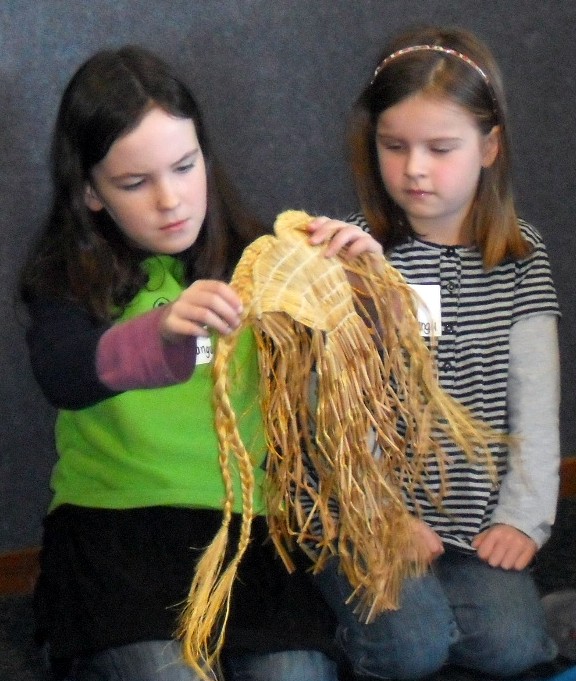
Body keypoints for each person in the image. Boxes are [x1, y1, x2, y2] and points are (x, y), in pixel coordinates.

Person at [19, 45, 376, 681]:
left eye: (185, 167)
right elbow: (65, 374)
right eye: (135, 183)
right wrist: (161, 335)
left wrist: (363, 294)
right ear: (90, 193)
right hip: (116, 531)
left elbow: (355, 374)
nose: (171, 199)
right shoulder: (65, 279)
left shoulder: (260, 257)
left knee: (294, 672)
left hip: (246, 529)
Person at [305, 25, 561, 679]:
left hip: (470, 520)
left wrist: (523, 519)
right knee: (413, 648)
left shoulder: (522, 257)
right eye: (394, 146)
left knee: (513, 647)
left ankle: (440, 610)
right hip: (363, 510)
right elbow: (335, 412)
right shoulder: (352, 254)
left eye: (440, 148)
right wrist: (381, 516)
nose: (414, 168)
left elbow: (536, 405)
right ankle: (328, 620)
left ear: (489, 146)